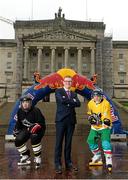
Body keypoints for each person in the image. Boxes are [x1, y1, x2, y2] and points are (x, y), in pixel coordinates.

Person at [54, 75, 81, 174]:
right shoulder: (58, 91)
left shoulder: (73, 93)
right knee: (59, 143)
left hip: (71, 120)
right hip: (61, 120)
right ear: (63, 82)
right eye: (66, 81)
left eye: (70, 82)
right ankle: (57, 164)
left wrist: (69, 102)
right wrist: (72, 102)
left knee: (68, 143)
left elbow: (78, 104)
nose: (68, 83)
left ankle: (68, 163)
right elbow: (61, 100)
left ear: (71, 83)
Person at [13, 95, 46, 168]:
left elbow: (41, 123)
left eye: (27, 102)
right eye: (23, 102)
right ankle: (26, 156)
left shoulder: (36, 110)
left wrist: (35, 127)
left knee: (34, 138)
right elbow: (19, 122)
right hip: (27, 129)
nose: (25, 104)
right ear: (21, 103)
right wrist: (16, 129)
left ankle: (37, 157)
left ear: (30, 103)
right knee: (18, 140)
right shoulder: (20, 111)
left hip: (38, 129)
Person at [87, 89, 113, 172]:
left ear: (101, 96)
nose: (96, 97)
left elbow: (106, 116)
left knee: (105, 143)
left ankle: (108, 159)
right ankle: (97, 155)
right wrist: (91, 118)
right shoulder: (90, 103)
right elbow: (89, 113)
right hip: (94, 127)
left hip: (103, 126)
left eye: (98, 96)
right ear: (93, 97)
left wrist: (102, 121)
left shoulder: (106, 103)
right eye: (95, 96)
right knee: (90, 141)